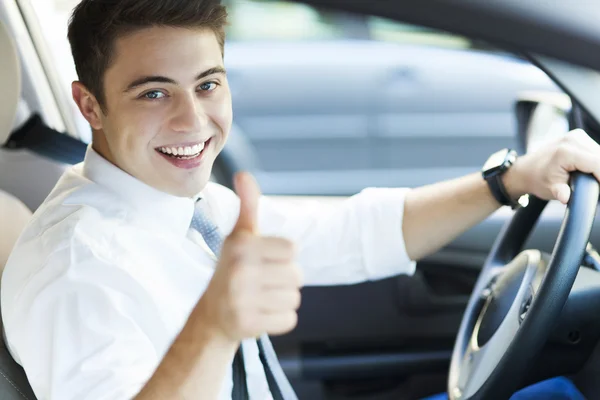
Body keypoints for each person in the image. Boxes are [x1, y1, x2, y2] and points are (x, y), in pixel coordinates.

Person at [1, 0, 598, 399]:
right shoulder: (78, 270)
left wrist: (508, 180)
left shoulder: (181, 205)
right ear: (89, 106)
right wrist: (214, 326)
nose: (194, 120)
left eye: (207, 84)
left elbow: (353, 232)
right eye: (154, 93)